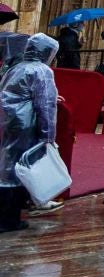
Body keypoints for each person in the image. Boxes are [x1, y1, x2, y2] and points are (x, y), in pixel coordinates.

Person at [0, 34, 59, 232]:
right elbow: (46, 105)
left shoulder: (16, 67)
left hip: (8, 121)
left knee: (7, 167)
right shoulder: (42, 71)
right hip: (27, 122)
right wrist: (48, 136)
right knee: (21, 168)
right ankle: (10, 219)